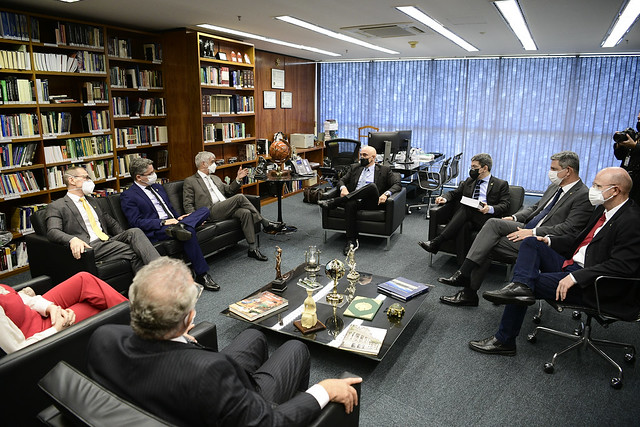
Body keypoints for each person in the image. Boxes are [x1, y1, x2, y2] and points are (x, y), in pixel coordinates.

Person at [87, 257, 362, 426]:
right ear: (189, 318)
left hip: (174, 386)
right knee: (296, 347)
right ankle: (294, 407)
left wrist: (175, 339)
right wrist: (323, 390)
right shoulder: (211, 373)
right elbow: (269, 423)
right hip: (245, 407)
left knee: (254, 335)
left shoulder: (103, 337)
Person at [468, 167, 640, 356]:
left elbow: (623, 266)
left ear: (615, 190)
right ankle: (519, 287)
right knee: (531, 243)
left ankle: (504, 341)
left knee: (528, 284)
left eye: (598, 186)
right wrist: (549, 240)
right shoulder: (604, 209)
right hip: (574, 264)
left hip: (594, 284)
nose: (593, 190)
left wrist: (575, 277)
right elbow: (579, 240)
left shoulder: (631, 220)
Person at [438, 151, 592, 307]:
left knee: (487, 244)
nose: (550, 172)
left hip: (542, 240)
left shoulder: (582, 195)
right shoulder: (554, 187)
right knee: (493, 223)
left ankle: (468, 292)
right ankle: (464, 273)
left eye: (554, 169)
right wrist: (514, 217)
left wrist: (532, 232)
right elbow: (535, 208)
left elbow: (569, 228)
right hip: (527, 227)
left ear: (568, 171)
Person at [120, 157, 220, 292]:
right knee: (189, 231)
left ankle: (184, 224)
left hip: (175, 223)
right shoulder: (128, 195)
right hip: (159, 228)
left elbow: (170, 209)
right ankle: (202, 275)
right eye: (150, 173)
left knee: (204, 210)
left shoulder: (158, 187)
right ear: (138, 177)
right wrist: (162, 222)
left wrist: (179, 218)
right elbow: (136, 222)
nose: (154, 175)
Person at [46, 166, 160, 272]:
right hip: (90, 245)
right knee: (135, 251)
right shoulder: (57, 206)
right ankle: (161, 274)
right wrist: (72, 239)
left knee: (135, 232)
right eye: (86, 178)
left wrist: (124, 238)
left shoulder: (93, 201)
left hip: (106, 241)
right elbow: (52, 231)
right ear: (72, 180)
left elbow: (111, 223)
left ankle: (158, 273)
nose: (90, 181)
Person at [183, 151, 284, 262]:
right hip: (210, 212)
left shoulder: (215, 178)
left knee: (246, 213)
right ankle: (265, 222)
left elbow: (229, 190)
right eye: (212, 162)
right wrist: (196, 219)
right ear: (204, 164)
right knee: (239, 197)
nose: (215, 164)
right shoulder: (190, 181)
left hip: (225, 207)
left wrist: (238, 179)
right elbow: (188, 204)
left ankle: (252, 249)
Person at [0, 272, 126, 354]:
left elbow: (22, 298)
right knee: (94, 306)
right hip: (40, 333)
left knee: (84, 279)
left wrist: (50, 307)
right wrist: (56, 329)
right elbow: (18, 350)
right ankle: (134, 322)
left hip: (36, 312)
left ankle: (134, 318)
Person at [418, 153, 510, 255]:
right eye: (471, 167)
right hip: (469, 217)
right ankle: (462, 263)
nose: (472, 170)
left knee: (466, 208)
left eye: (475, 167)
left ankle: (437, 242)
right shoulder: (469, 181)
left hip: (486, 218)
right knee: (464, 226)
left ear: (485, 168)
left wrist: (489, 208)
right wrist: (444, 198)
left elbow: (505, 205)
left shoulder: (500, 184)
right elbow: (454, 193)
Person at [317, 145, 401, 255]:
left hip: (372, 202)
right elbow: (341, 180)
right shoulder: (354, 167)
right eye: (361, 155)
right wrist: (343, 188)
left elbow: (397, 184)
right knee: (350, 203)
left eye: (365, 155)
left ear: (373, 157)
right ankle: (351, 241)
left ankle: (334, 202)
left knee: (371, 186)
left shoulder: (384, 170)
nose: (362, 157)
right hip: (355, 200)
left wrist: (386, 194)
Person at [613, 110, 640, 204]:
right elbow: (620, 156)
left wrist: (635, 146)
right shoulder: (635, 136)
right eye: (638, 119)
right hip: (626, 179)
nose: (639, 122)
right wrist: (619, 144)